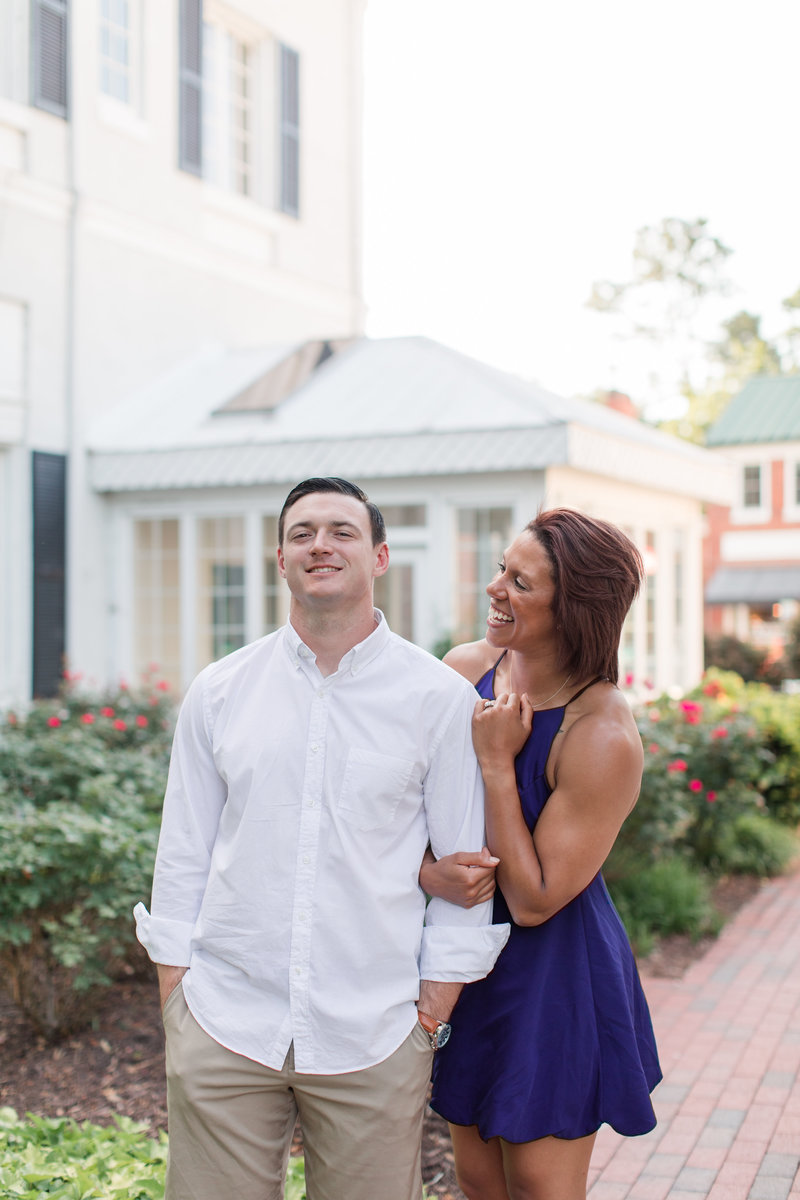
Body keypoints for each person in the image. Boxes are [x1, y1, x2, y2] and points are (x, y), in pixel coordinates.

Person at [133, 477, 509, 1200]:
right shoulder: (219, 691)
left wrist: (427, 1017)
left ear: (380, 557)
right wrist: (176, 997)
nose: (321, 545)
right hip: (224, 1024)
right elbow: (182, 852)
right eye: (302, 533)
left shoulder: (438, 701)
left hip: (375, 1031)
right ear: (280, 560)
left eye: (341, 531)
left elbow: (466, 875)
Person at [421, 507, 662, 1200]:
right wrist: (427, 873)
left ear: (575, 609)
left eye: (520, 582)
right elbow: (403, 817)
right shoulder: (463, 670)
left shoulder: (600, 732)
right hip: (461, 955)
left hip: (552, 975)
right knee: (476, 1178)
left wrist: (498, 766)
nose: (495, 588)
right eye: (502, 568)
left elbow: (532, 901)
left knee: (536, 1184)